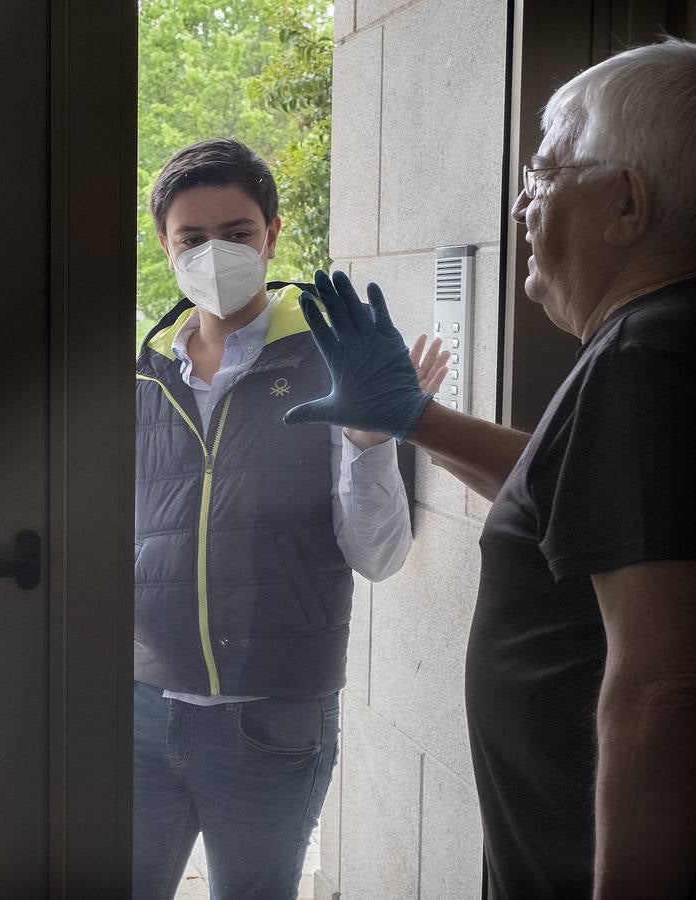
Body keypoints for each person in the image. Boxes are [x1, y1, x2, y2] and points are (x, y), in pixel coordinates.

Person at [282, 39, 696, 898]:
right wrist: (414, 418)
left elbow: (666, 687)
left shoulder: (648, 356)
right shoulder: (653, 339)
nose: (519, 207)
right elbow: (572, 502)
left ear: (627, 202)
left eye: (543, 174)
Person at [132, 138, 444, 899]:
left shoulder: (335, 363)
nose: (214, 254)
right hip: (138, 713)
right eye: (192, 238)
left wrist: (371, 438)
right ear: (165, 248)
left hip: (271, 722)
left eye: (236, 234)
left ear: (272, 235)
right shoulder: (142, 375)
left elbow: (378, 555)